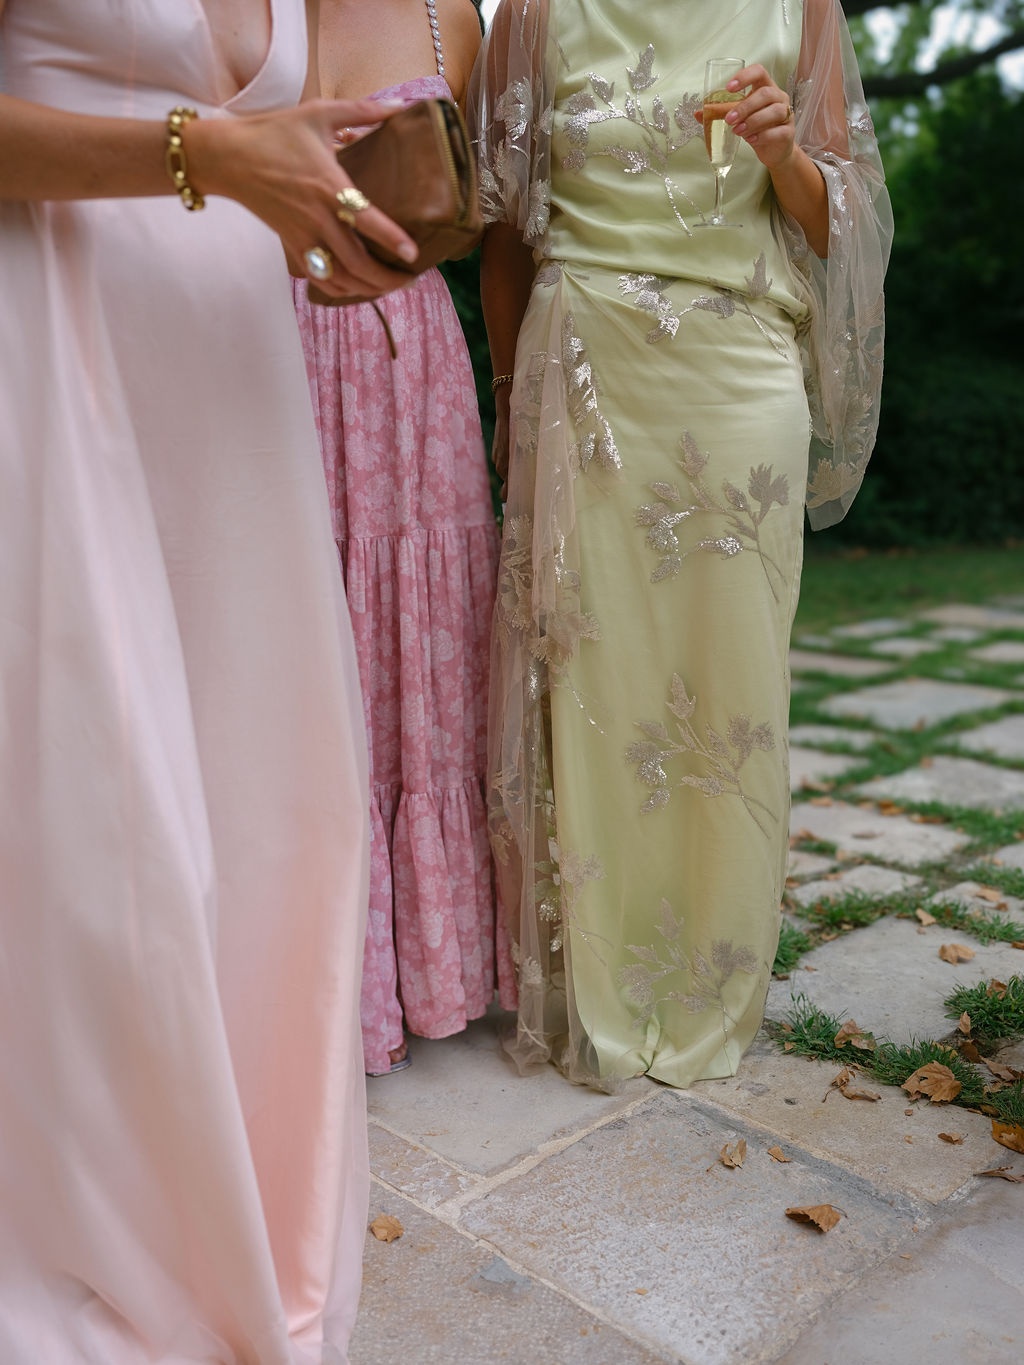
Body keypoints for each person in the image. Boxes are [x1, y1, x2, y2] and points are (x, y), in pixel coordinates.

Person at [0, 2, 418, 1360]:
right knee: (104, 837)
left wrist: (327, 219)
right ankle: (84, 1227)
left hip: (234, 386)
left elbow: (272, 155)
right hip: (57, 364)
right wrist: (211, 157)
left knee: (279, 815)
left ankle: (228, 1220)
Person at [469, 0, 892, 1090]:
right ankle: (602, 986)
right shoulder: (535, 11)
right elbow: (504, 229)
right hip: (587, 377)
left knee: (730, 694)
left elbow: (839, 222)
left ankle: (710, 983)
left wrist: (783, 151)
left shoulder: (801, 9)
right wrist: (512, 398)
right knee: (593, 683)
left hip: (739, 382)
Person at [292, 0, 515, 1079]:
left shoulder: (448, 22)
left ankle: (426, 970)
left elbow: (484, 216)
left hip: (408, 353)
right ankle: (297, 981)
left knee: (417, 639)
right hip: (259, 331)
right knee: (290, 626)